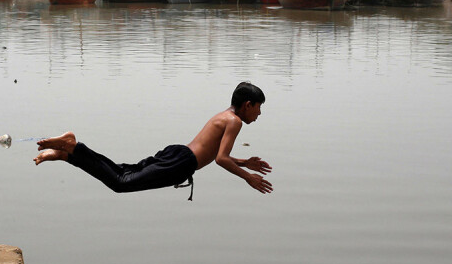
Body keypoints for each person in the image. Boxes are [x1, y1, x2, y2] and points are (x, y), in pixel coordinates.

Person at [34, 82, 273, 199]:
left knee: (121, 171)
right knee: (121, 183)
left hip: (177, 153)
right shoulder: (235, 122)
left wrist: (243, 162)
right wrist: (248, 178)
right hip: (180, 164)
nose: (259, 114)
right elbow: (220, 159)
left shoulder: (225, 115)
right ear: (248, 104)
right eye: (258, 108)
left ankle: (69, 153)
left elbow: (214, 152)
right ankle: (74, 147)